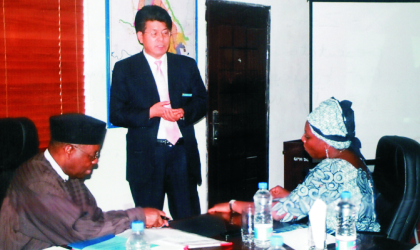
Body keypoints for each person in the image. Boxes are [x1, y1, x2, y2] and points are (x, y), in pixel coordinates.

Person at [208, 97, 380, 233]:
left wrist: (233, 204)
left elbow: (280, 213)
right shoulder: (353, 156)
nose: (302, 140)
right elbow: (327, 198)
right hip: (363, 239)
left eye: (308, 136)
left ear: (326, 142)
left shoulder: (330, 169)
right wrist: (291, 196)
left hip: (340, 242)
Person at [0, 114, 168, 250]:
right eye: (93, 155)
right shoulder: (35, 180)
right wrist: (138, 216)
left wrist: (136, 218)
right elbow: (81, 230)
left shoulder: (68, 176)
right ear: (69, 150)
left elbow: (94, 218)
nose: (95, 161)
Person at [109, 5, 207, 220]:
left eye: (165, 33)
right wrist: (150, 112)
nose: (161, 39)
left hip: (181, 154)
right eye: (153, 33)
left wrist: (184, 112)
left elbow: (202, 101)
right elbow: (116, 113)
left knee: (189, 220)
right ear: (140, 36)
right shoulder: (125, 69)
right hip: (146, 156)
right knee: (151, 223)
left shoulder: (186, 65)